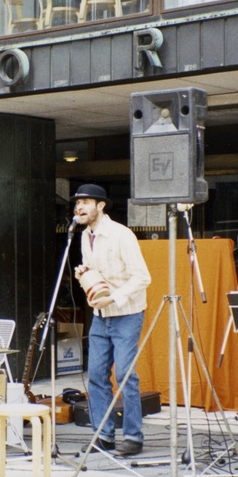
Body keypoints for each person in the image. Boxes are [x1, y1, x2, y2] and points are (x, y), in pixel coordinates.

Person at [72, 184, 151, 457]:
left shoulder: (121, 234)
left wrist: (113, 298)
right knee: (95, 375)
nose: (79, 207)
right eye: (77, 203)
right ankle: (103, 435)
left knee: (125, 375)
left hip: (126, 313)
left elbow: (142, 277)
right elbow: (98, 274)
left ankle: (133, 436)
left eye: (85, 202)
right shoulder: (84, 236)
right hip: (100, 316)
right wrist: (85, 274)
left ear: (101, 205)